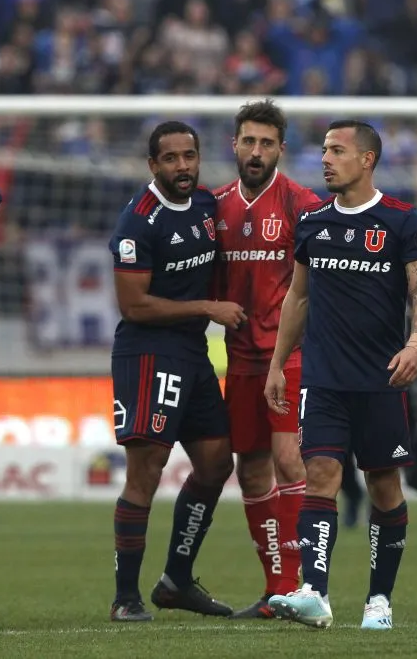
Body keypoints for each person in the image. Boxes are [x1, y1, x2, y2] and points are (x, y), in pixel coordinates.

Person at [264, 120, 417, 630]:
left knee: (383, 485)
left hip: (381, 379)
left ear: (366, 160)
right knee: (319, 477)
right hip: (323, 380)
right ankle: (314, 592)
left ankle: (378, 601)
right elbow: (298, 297)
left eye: (337, 151)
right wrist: (277, 363)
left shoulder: (403, 220)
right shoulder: (314, 223)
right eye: (323, 150)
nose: (325, 159)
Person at [107, 121, 245, 622]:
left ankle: (176, 579)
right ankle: (125, 598)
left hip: (192, 355)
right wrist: (208, 307)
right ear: (152, 165)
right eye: (171, 158)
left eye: (190, 156)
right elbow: (133, 305)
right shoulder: (139, 222)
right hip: (147, 354)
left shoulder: (208, 207)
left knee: (215, 465)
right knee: (146, 472)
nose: (183, 166)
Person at [212, 99, 321, 619]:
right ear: (234, 145)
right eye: (248, 142)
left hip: (289, 354)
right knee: (251, 470)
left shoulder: (302, 205)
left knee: (287, 459)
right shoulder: (216, 209)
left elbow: (323, 284)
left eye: (267, 143)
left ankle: (304, 584)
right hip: (239, 360)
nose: (256, 152)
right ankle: (277, 588)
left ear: (281, 149)